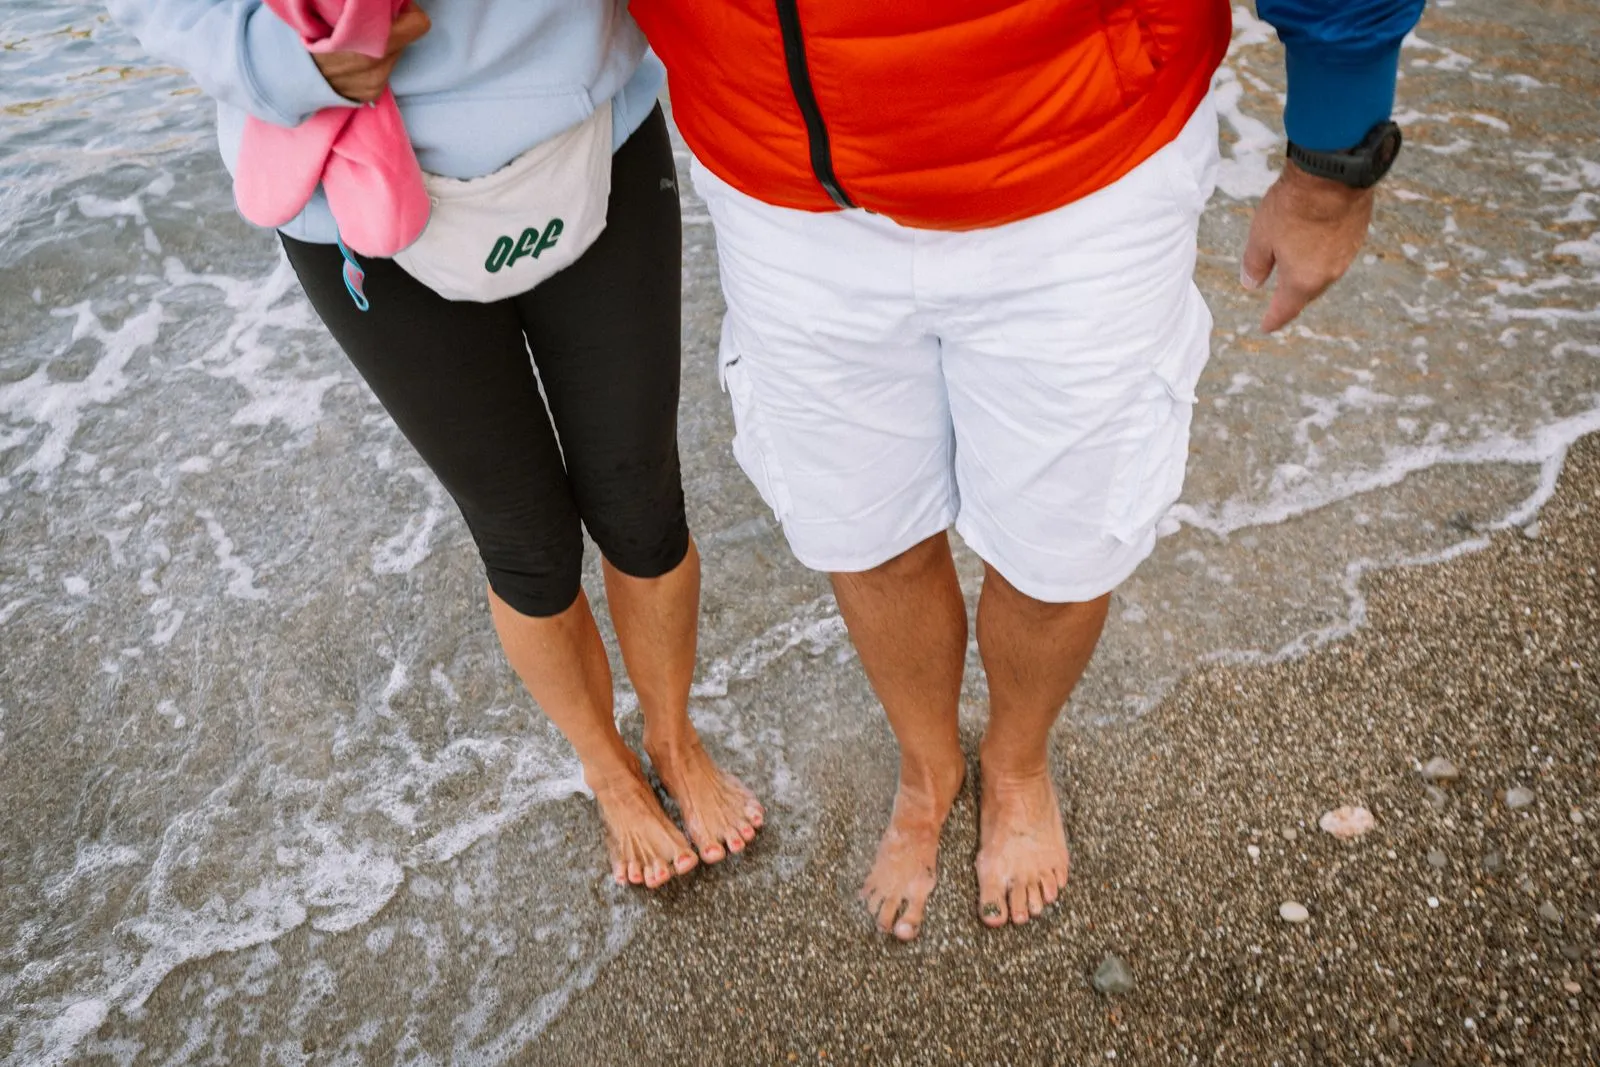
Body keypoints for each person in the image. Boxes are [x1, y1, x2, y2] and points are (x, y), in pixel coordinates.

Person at [629, 0, 1423, 938]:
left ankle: (1016, 760)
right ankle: (930, 768)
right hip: (774, 179)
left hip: (1081, 176)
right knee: (864, 529)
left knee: (1064, 550)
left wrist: (1333, 156)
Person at [105, 0, 763, 889]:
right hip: (346, 176)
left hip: (586, 124)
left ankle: (674, 739)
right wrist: (267, 59)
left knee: (641, 503)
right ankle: (607, 765)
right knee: (525, 538)